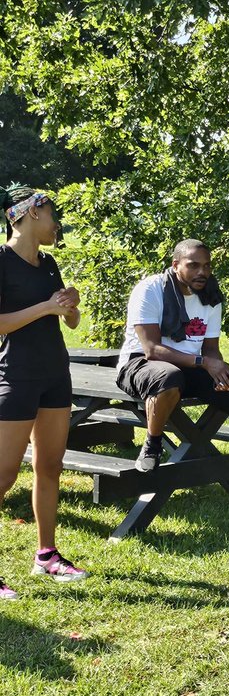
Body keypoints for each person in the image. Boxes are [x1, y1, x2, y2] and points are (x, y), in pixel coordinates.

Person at [116, 240, 229, 503]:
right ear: (176, 265)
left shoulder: (210, 296)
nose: (202, 272)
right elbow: (152, 350)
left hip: (191, 364)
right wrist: (205, 363)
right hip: (140, 364)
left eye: (207, 266)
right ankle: (152, 445)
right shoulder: (151, 289)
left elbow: (210, 348)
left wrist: (219, 369)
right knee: (169, 377)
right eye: (193, 265)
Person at [0, 184, 89, 599]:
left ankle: (47, 555)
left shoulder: (48, 263)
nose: (57, 224)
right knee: (3, 475)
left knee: (50, 468)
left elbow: (67, 322)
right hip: (15, 377)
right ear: (32, 213)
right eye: (53, 214)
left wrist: (69, 305)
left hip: (56, 374)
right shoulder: (1, 262)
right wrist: (46, 308)